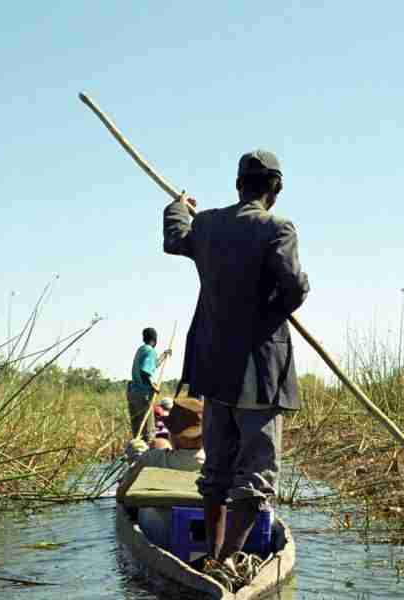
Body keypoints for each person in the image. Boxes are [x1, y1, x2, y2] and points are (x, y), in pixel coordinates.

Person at [163, 150, 309, 569]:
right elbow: (294, 287)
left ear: (238, 184)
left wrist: (177, 208)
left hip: (213, 366)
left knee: (217, 470)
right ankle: (227, 563)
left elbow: (176, 238)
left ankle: (212, 556)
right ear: (275, 190)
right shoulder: (277, 227)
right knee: (257, 472)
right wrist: (268, 311)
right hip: (259, 368)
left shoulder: (206, 224)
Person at [122, 397, 205, 547]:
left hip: (163, 538)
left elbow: (122, 495)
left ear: (173, 435)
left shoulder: (152, 459)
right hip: (205, 535)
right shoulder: (220, 462)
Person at [127, 327, 171, 441]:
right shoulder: (150, 351)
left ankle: (136, 452)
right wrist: (153, 387)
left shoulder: (141, 349)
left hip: (133, 392)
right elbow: (145, 372)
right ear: (155, 340)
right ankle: (147, 454)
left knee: (137, 429)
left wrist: (164, 355)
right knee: (148, 431)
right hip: (143, 394)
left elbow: (152, 366)